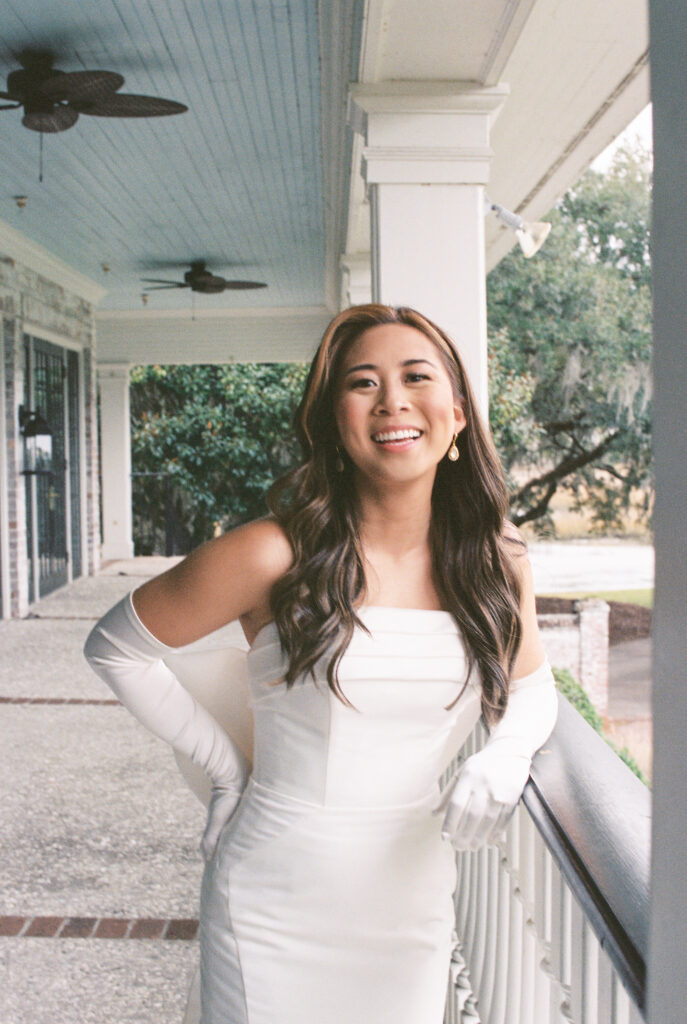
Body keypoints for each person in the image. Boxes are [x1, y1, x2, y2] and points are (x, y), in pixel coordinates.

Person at [84, 303, 558, 1024]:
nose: (393, 400)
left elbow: (530, 688)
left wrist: (508, 753)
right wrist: (223, 771)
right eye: (362, 383)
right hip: (275, 895)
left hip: (410, 897)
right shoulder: (273, 554)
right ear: (334, 424)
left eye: (415, 377)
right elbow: (115, 647)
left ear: (456, 415)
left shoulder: (496, 561)